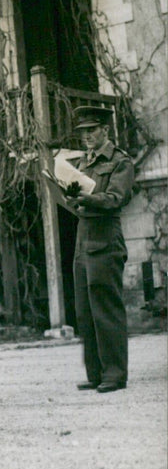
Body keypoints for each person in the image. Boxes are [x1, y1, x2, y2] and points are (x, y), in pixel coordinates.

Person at [66, 105, 134, 393]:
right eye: (83, 132)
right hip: (84, 237)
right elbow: (79, 200)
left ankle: (115, 374)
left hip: (105, 237)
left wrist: (85, 197)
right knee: (85, 311)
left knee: (106, 308)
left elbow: (116, 198)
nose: (87, 136)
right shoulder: (84, 162)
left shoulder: (120, 161)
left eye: (92, 130)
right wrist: (69, 196)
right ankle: (95, 373)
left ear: (106, 130)